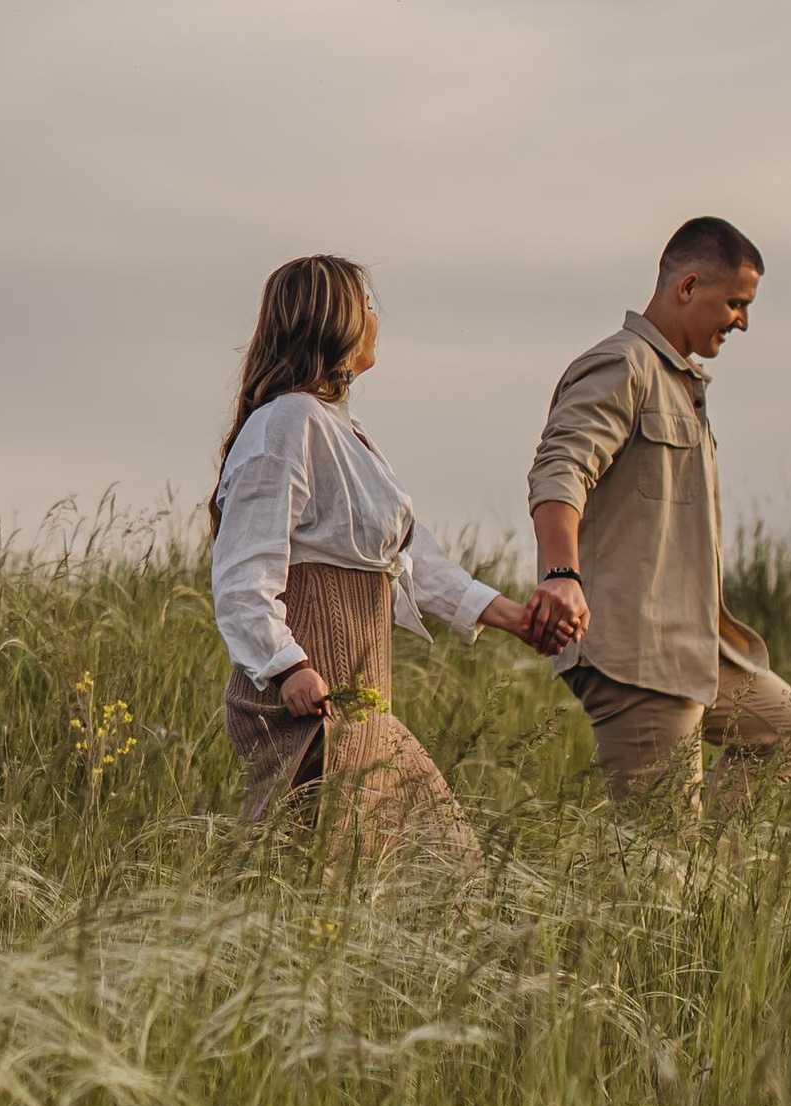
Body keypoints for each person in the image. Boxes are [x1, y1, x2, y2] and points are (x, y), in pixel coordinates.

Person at [211, 253, 554, 872]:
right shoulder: (287, 422)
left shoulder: (344, 433)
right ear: (336, 320)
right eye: (368, 304)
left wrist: (509, 615)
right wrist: (286, 667)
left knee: (433, 874)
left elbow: (408, 558)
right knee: (316, 883)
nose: (377, 318)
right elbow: (242, 573)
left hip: (362, 700)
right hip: (309, 702)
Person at [523, 216, 791, 815]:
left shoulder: (678, 382)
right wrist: (561, 577)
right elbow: (559, 470)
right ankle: (670, 890)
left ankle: (713, 887)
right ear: (687, 287)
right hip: (637, 652)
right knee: (658, 863)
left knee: (788, 729)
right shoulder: (622, 366)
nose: (743, 320)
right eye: (735, 302)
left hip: (694, 647)